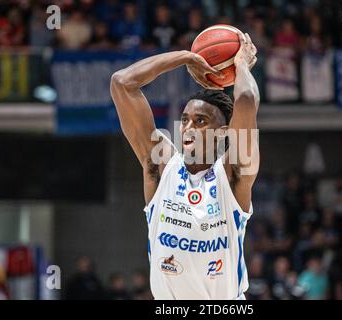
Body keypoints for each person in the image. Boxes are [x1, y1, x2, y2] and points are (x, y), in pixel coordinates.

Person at [110, 31, 259, 300]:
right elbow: (122, 83)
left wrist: (241, 65)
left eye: (200, 121)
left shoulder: (232, 174)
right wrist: (185, 57)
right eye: (185, 119)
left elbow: (246, 100)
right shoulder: (161, 164)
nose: (188, 128)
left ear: (223, 133)